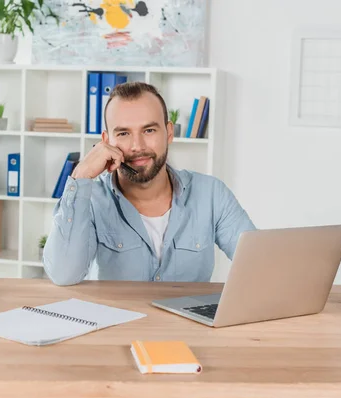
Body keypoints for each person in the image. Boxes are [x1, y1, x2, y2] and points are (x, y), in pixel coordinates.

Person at [43, 82, 255, 286]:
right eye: (124, 133)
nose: (137, 146)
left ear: (169, 133)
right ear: (106, 141)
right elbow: (64, 274)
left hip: (187, 323)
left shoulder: (211, 194)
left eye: (149, 130)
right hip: (119, 321)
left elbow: (258, 263)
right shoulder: (90, 199)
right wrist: (81, 175)